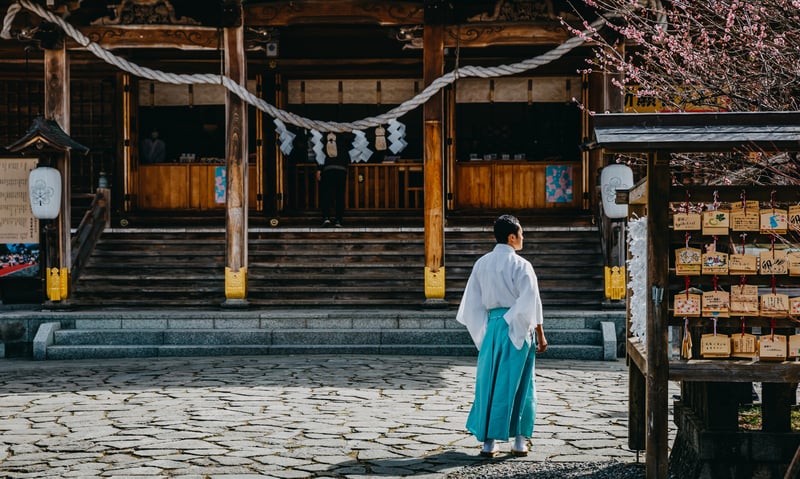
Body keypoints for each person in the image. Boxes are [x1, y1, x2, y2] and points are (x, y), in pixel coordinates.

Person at [456, 214, 548, 458]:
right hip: (516, 326)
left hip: (492, 328)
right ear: (512, 236)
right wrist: (539, 332)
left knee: (488, 383)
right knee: (522, 384)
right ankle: (519, 441)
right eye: (521, 233)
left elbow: (472, 302)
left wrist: (485, 329)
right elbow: (531, 299)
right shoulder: (522, 265)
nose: (523, 237)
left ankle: (488, 442)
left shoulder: (481, 263)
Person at [316, 132, 348, 227]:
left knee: (326, 195)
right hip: (341, 170)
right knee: (339, 196)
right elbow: (348, 156)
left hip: (327, 170)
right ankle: (338, 220)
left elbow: (320, 156)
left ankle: (326, 218)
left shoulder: (325, 140)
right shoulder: (344, 140)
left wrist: (319, 169)